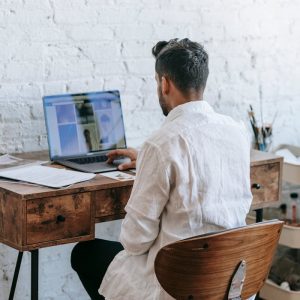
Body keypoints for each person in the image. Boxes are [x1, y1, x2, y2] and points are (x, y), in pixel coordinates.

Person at [71, 38, 253, 300]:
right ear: (202, 81)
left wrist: (151, 159)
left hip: (176, 284)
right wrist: (146, 160)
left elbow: (135, 241)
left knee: (84, 253)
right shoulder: (236, 132)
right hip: (223, 279)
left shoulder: (161, 144)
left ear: (165, 83)